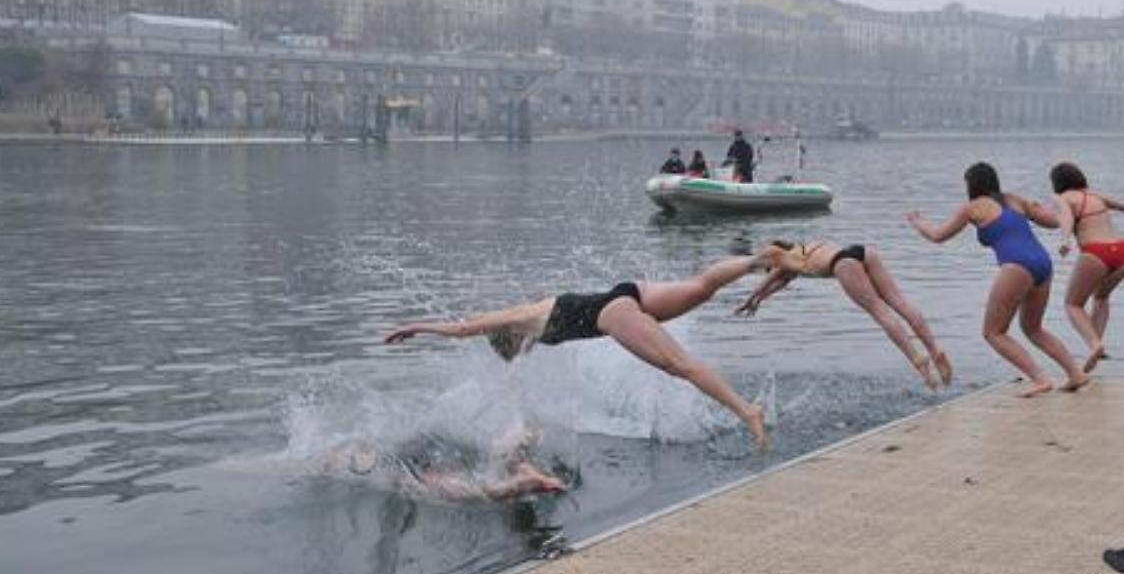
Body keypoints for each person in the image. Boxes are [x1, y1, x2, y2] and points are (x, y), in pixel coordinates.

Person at [384, 258, 769, 449]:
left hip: (613, 314)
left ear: (506, 338)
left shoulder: (517, 320)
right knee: (701, 287)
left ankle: (746, 411)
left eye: (511, 350)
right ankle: (763, 260)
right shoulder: (528, 328)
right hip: (627, 292)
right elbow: (510, 383)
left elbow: (464, 328)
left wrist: (417, 327)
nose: (519, 353)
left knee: (680, 366)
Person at [906, 162, 1089, 396]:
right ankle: (1075, 373)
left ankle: (1040, 379)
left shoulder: (971, 208)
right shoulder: (1015, 200)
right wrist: (1062, 204)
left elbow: (937, 236)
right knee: (1033, 328)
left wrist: (917, 222)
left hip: (1017, 265)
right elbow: (1054, 221)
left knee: (993, 332)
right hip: (1043, 263)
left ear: (971, 185)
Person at [735, 240, 949, 391]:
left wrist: (751, 299)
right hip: (862, 251)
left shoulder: (781, 256)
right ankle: (934, 349)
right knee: (900, 302)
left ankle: (918, 361)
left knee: (879, 311)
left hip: (843, 263)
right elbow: (778, 283)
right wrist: (759, 299)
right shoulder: (803, 251)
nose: (770, 268)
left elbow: (768, 278)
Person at [318, 429, 567, 501]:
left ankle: (523, 477)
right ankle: (523, 458)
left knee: (478, 493)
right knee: (487, 477)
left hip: (416, 459)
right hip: (422, 450)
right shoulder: (381, 457)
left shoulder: (386, 466)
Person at [1050, 162, 1124, 373]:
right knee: (1101, 297)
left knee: (1072, 304)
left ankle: (1095, 344)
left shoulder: (1062, 198)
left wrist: (1065, 240)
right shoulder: (1095, 195)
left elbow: (1066, 217)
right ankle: (1096, 346)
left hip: (1095, 252)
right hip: (1121, 249)